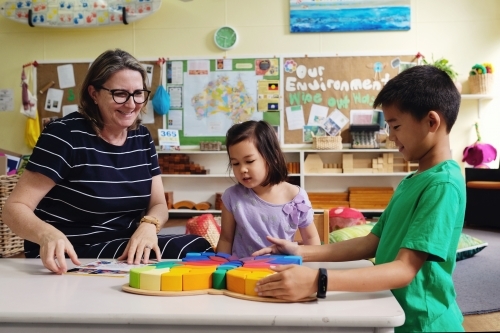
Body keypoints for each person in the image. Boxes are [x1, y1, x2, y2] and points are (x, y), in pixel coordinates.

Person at [253, 65, 465, 332]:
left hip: (423, 323)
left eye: (396, 125)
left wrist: (318, 281)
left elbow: (404, 269)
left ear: (431, 122)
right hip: (391, 310)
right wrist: (301, 251)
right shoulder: (413, 180)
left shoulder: (442, 184)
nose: (391, 136)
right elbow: (371, 243)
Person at [2, 49, 212, 274]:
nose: (131, 104)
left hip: (124, 244)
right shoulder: (64, 135)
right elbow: (14, 209)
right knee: (190, 250)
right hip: (72, 251)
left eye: (138, 93)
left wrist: (149, 225)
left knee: (198, 248)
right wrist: (46, 234)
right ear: (94, 93)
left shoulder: (141, 137)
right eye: (120, 94)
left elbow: (158, 204)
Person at [216, 120, 321, 258]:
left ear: (273, 157)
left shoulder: (296, 197)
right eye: (235, 163)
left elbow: (311, 239)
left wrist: (311, 271)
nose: (242, 169)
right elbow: (226, 239)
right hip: (241, 272)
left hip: (282, 272)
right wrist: (221, 273)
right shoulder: (232, 196)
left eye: (249, 161)